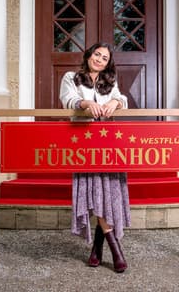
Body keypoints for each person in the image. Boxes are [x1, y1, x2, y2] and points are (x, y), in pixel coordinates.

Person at [59, 42, 131, 273]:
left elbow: (123, 99)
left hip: (108, 141)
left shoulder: (109, 82)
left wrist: (114, 101)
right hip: (84, 142)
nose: (99, 59)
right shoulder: (72, 77)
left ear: (108, 63)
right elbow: (67, 100)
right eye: (97, 54)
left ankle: (97, 251)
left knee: (107, 192)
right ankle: (116, 250)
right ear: (89, 55)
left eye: (104, 57)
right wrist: (86, 103)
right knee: (95, 191)